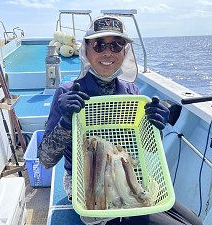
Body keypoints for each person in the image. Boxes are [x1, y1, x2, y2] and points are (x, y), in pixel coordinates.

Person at [38, 15, 202, 225]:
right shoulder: (68, 94)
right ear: (86, 50)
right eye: (99, 45)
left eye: (117, 45)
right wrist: (65, 123)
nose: (108, 52)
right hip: (88, 182)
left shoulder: (132, 92)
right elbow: (46, 159)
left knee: (195, 222)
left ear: (125, 51)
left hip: (127, 171)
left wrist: (156, 128)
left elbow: (149, 151)